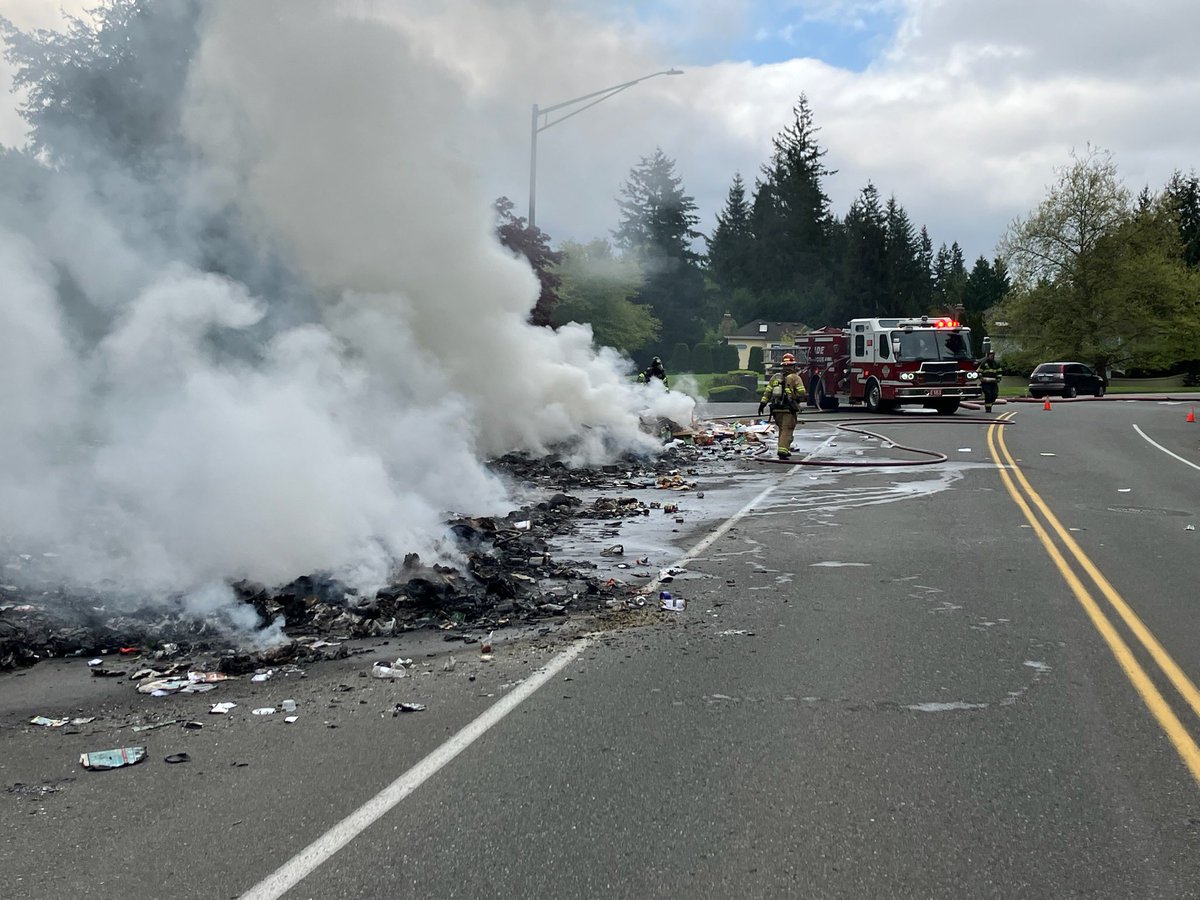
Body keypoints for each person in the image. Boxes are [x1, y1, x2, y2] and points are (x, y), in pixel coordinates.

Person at [758, 352, 806, 459]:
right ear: (793, 365)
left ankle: (784, 448)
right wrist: (797, 398)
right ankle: (783, 451)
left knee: (782, 429)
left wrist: (762, 404)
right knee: (787, 429)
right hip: (789, 409)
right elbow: (802, 393)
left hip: (776, 409)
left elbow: (768, 392)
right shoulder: (795, 378)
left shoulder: (776, 377)